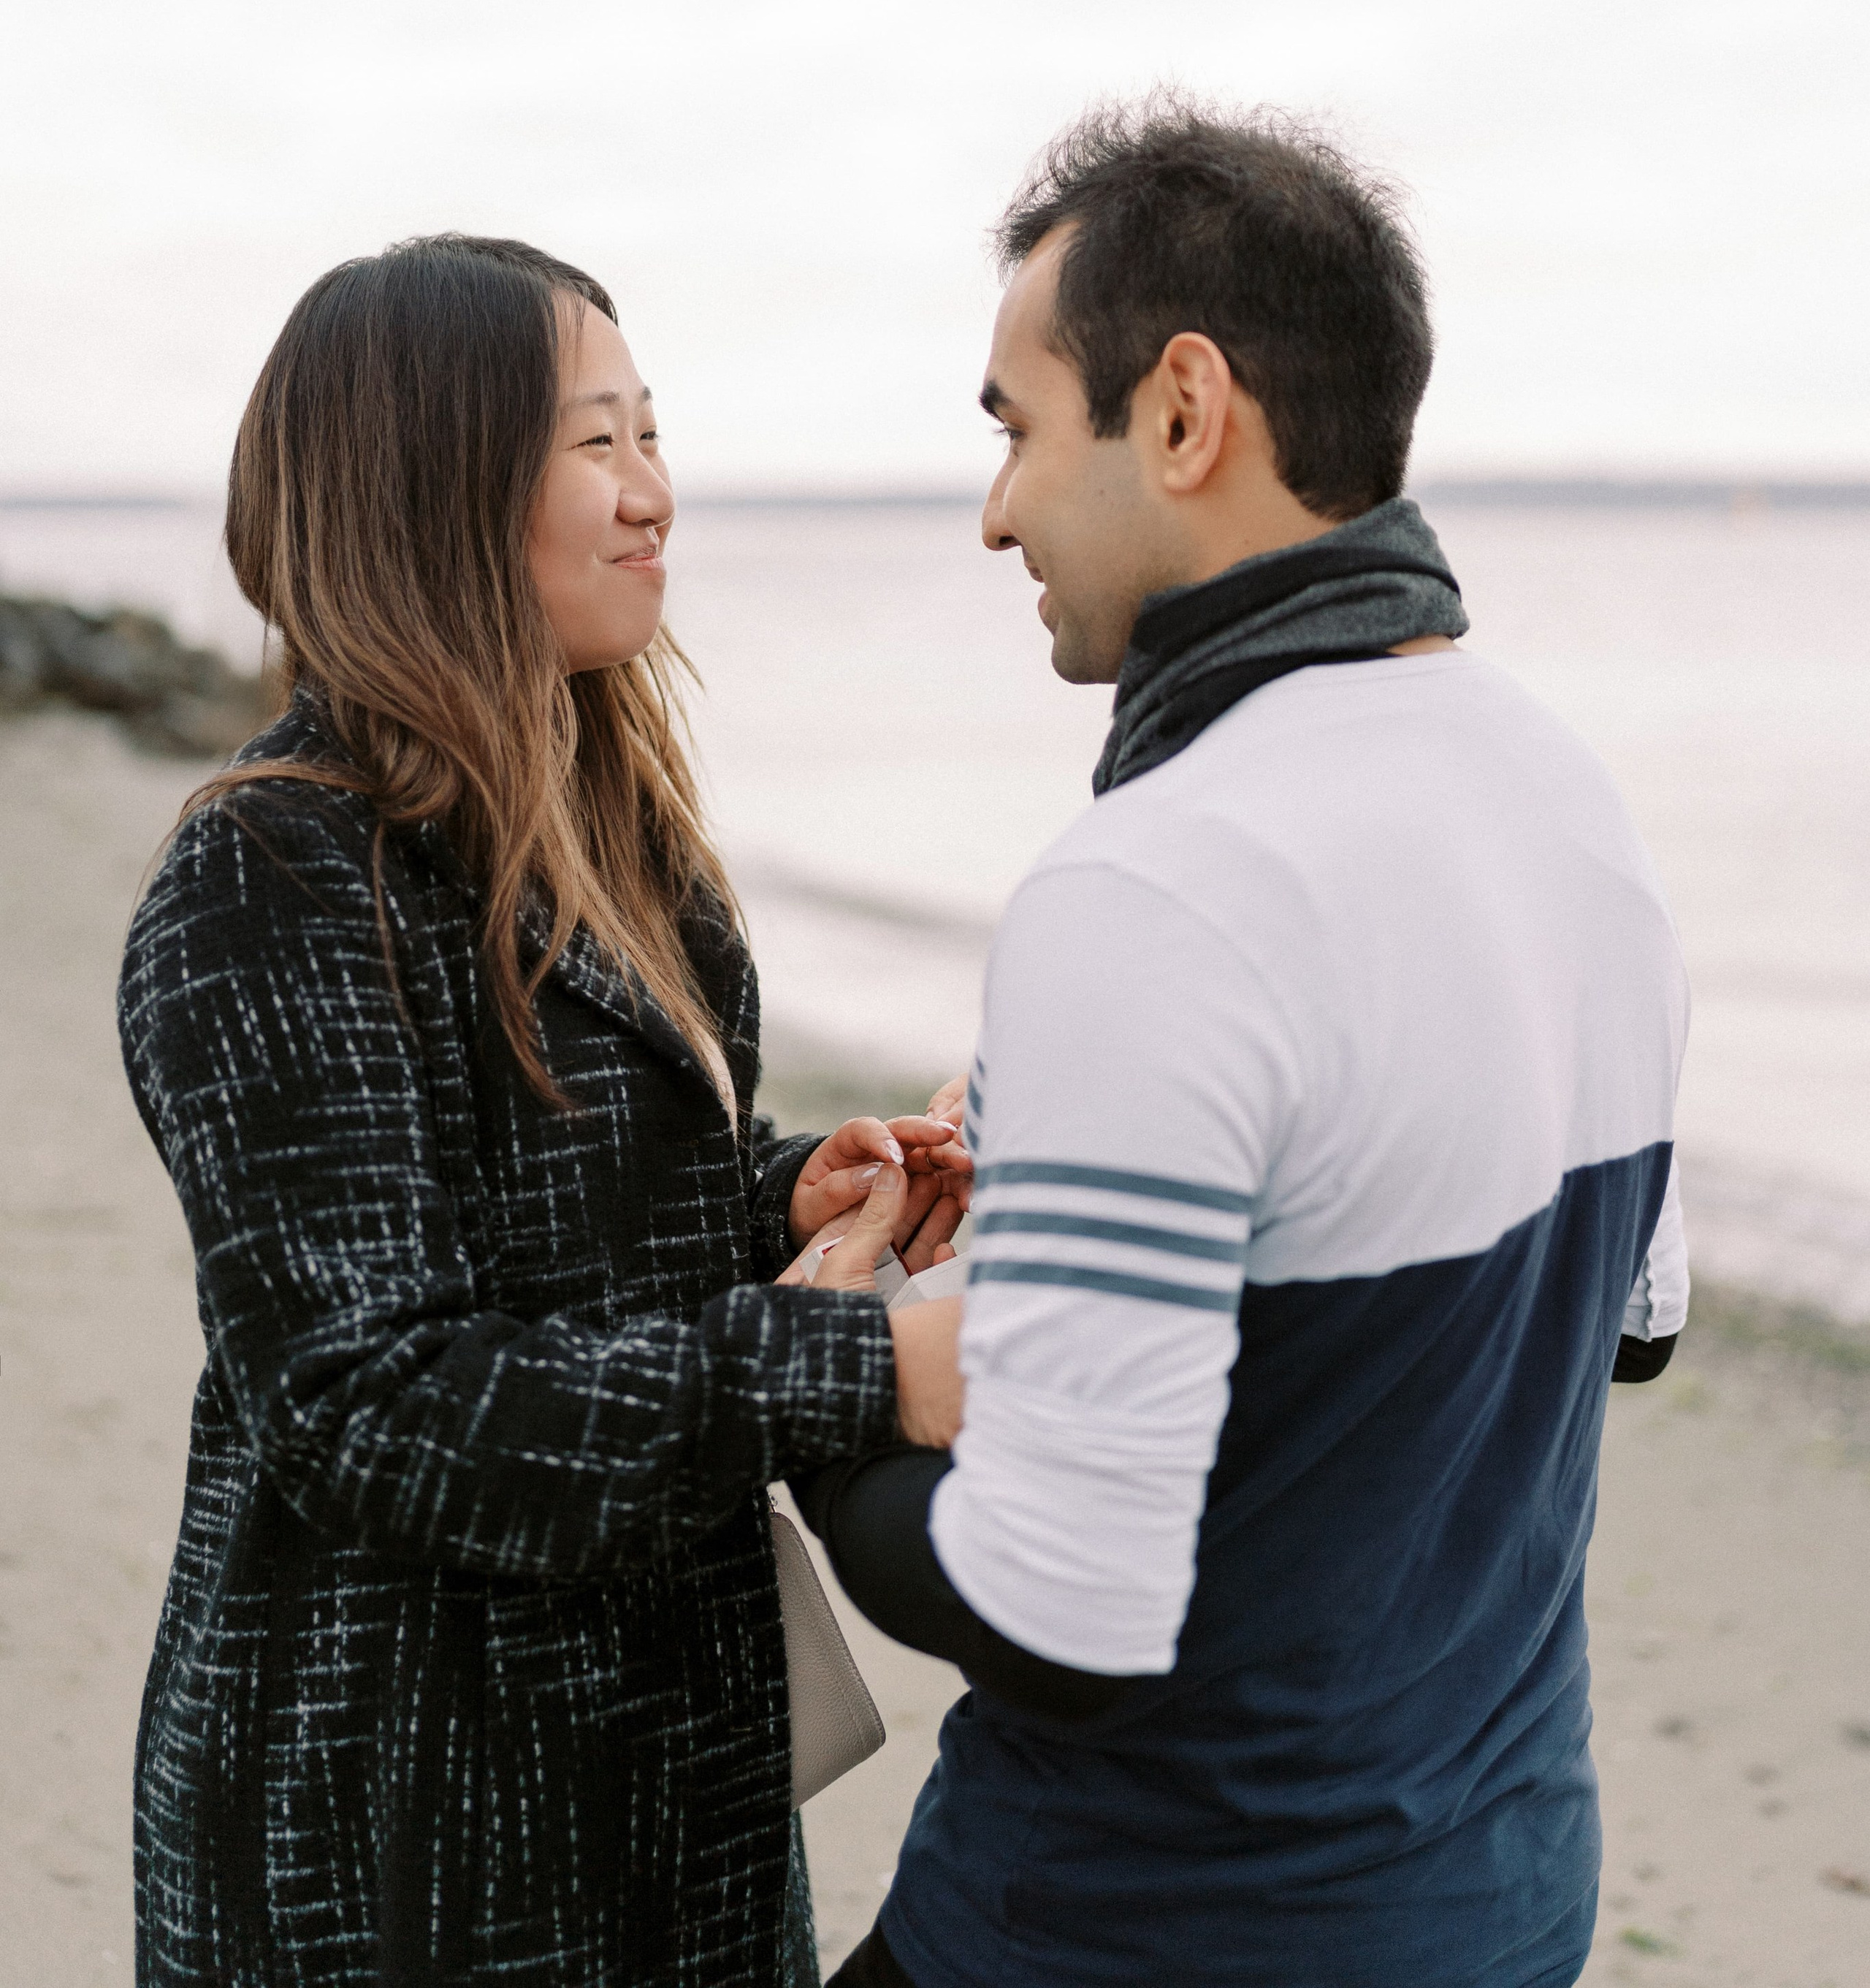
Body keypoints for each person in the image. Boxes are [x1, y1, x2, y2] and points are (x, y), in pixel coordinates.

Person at [811, 96, 1690, 1988]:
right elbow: (1626, 1328)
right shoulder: (1574, 810)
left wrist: (832, 1375)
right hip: (1499, 1904)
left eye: (1017, 429)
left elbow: (1060, 1617)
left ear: (1184, 412)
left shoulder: (1159, 890)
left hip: (1139, 1934)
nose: (995, 511)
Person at [118, 233, 967, 1988]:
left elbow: (550, 1214)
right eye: (596, 442)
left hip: (662, 1779)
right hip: (406, 1833)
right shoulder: (274, 872)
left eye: (651, 433)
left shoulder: (617, 834)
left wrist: (783, 1195)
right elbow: (371, 1402)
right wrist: (862, 1366)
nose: (653, 492)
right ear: (433, 487)